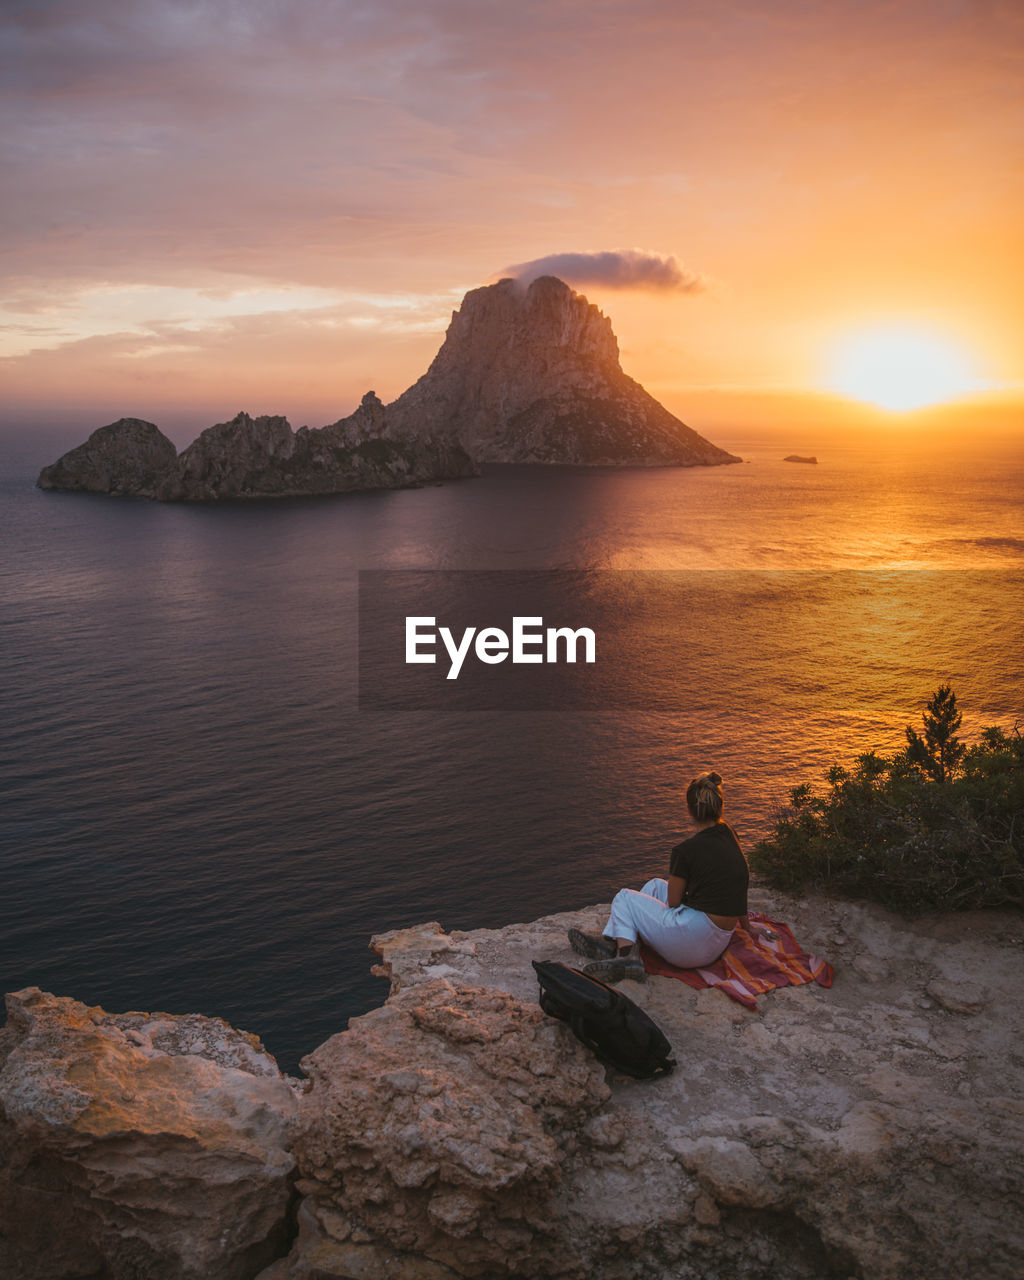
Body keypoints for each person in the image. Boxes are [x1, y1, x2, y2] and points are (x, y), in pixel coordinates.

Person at [568, 771, 775, 983]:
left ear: (689, 810)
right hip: (718, 941)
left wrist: (688, 894)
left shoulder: (686, 851)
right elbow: (738, 884)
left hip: (691, 946)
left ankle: (626, 958)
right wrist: (747, 927)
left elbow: (675, 902)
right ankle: (613, 941)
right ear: (719, 807)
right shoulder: (729, 834)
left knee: (624, 898)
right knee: (654, 886)